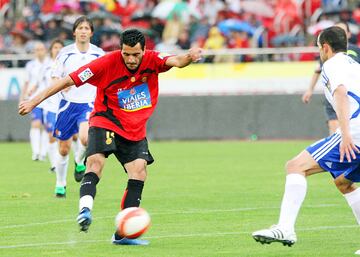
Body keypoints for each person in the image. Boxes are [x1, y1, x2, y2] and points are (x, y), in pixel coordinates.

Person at [19, 28, 203, 245]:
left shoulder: (153, 60)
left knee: (139, 172)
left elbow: (177, 61)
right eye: (126, 54)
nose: (131, 59)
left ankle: (122, 234)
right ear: (121, 50)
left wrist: (190, 56)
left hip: (134, 128)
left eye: (136, 54)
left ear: (144, 50)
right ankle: (85, 210)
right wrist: (33, 101)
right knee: (96, 163)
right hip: (105, 120)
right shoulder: (105, 63)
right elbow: (68, 81)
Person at [252, 26, 360, 247]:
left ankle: (285, 228)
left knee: (295, 166)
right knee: (343, 183)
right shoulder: (354, 65)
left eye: (319, 47)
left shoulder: (331, 64)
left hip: (355, 132)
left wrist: (346, 134)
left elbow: (340, 92)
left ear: (326, 48)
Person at [51, 16, 105, 197]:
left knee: (84, 138)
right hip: (67, 104)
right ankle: (60, 184)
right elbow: (55, 76)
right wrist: (62, 84)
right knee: (63, 148)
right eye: (80, 28)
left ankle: (79, 160)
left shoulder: (98, 54)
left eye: (86, 28)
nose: (83, 31)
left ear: (91, 33)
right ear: (74, 32)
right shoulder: (65, 53)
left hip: (89, 103)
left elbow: (107, 75)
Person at [302, 21, 360, 135]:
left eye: (342, 31)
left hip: (351, 96)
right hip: (334, 93)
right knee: (335, 131)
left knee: (349, 133)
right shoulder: (327, 55)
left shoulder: (356, 51)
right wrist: (310, 90)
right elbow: (318, 70)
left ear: (348, 34)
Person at [20, 41, 50, 161]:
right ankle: (36, 152)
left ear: (45, 50)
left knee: (46, 126)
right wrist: (22, 98)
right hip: (34, 99)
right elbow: (26, 83)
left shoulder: (51, 63)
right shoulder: (30, 65)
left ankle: (43, 153)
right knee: (36, 123)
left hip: (48, 99)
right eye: (37, 50)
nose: (39, 52)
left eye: (41, 49)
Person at [42, 39, 64, 172]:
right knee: (51, 135)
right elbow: (39, 84)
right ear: (51, 49)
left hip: (64, 105)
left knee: (70, 137)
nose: (57, 50)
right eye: (55, 47)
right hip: (49, 106)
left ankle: (78, 161)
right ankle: (54, 164)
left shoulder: (67, 64)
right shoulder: (45, 66)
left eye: (60, 47)